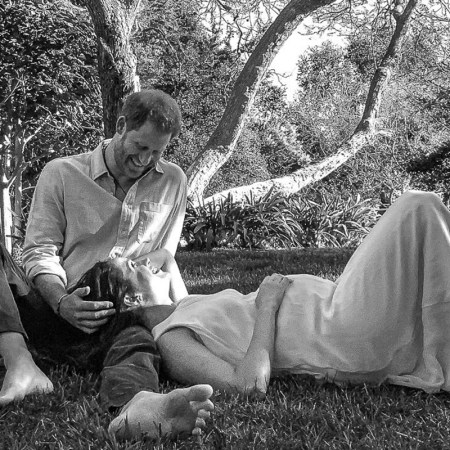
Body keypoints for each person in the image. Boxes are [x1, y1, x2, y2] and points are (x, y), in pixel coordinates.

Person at [78, 191, 450, 406]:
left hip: (339, 302)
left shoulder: (183, 305)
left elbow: (165, 257)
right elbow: (247, 385)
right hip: (343, 330)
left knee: (426, 232)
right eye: (135, 266)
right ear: (132, 301)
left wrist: (123, 273)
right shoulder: (171, 340)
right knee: (418, 206)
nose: (147, 262)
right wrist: (267, 306)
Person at [0, 89, 214, 441]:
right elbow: (39, 252)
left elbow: (162, 259)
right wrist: (61, 301)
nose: (145, 160)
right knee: (111, 274)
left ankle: (136, 406)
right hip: (57, 310)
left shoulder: (173, 181)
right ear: (120, 125)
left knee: (135, 339)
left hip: (124, 317)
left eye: (157, 152)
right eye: (140, 146)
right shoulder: (62, 172)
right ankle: (20, 363)